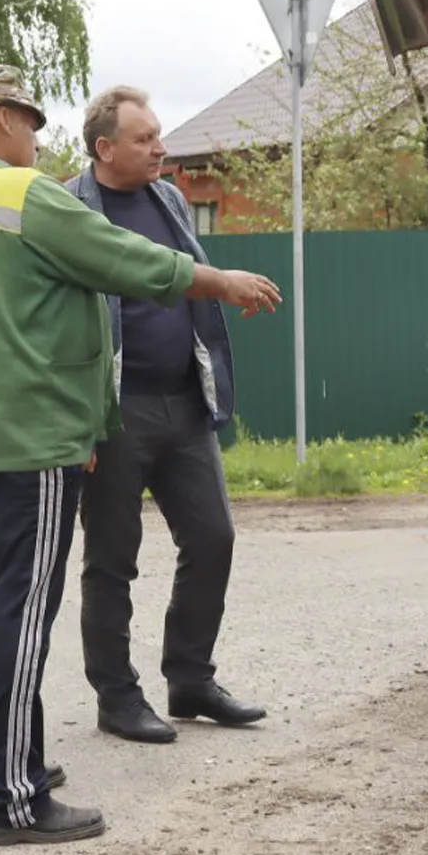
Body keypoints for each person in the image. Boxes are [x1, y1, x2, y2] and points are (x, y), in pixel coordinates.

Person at [0, 66, 280, 848]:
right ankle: (10, 800)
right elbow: (125, 261)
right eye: (29, 123)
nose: (36, 139)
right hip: (33, 439)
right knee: (22, 610)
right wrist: (218, 281)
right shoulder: (27, 197)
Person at [66, 86, 265, 745]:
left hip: (184, 402)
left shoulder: (171, 198)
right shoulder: (71, 206)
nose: (161, 147)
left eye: (159, 134)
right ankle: (117, 698)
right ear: (106, 148)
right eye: (146, 138)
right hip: (115, 412)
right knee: (112, 559)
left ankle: (190, 680)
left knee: (213, 539)